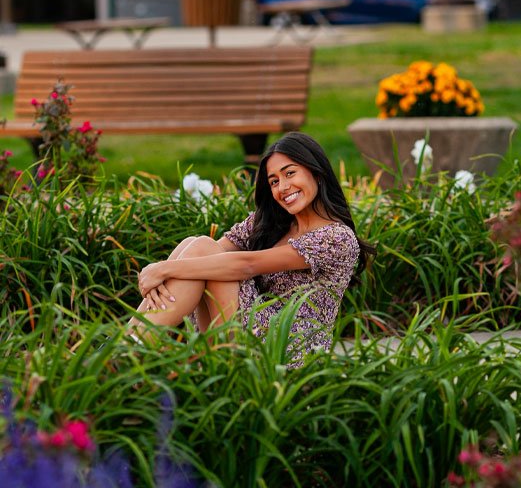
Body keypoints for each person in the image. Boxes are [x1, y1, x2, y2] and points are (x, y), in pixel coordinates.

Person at [130, 132, 373, 361]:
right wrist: (169, 269)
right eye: (274, 181)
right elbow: (209, 251)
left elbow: (246, 265)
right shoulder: (270, 222)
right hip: (246, 330)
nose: (283, 187)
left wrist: (162, 269)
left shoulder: (336, 237)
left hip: (289, 349)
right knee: (194, 245)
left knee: (201, 252)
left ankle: (126, 350)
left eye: (290, 173)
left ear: (316, 174)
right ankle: (127, 344)